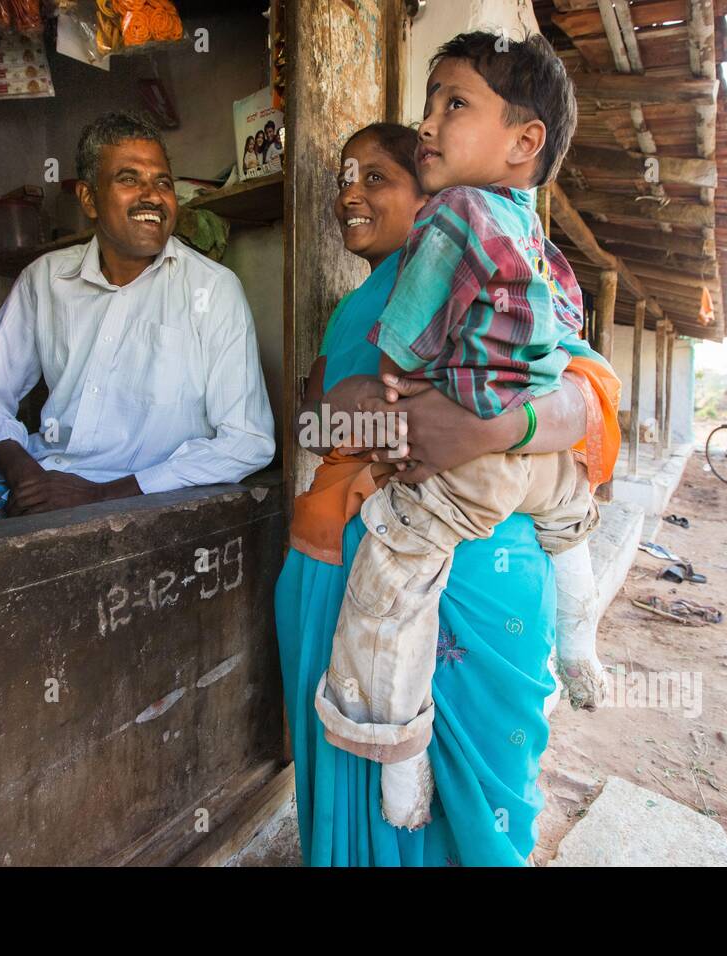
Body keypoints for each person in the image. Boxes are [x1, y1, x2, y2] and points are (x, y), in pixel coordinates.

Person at [275, 120, 619, 865]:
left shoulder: (480, 273)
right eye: (344, 177)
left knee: (459, 821)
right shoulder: (351, 306)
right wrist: (341, 409)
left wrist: (485, 431)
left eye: (376, 178)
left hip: (457, 574)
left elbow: (587, 400)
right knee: (349, 793)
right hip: (332, 562)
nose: (349, 195)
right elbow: (311, 427)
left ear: (427, 189)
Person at [0, 112, 275, 536]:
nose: (152, 196)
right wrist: (25, 475)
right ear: (89, 199)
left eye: (163, 182)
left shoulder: (214, 289)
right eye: (129, 179)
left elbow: (247, 441)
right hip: (38, 481)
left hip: (138, 500)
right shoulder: (46, 278)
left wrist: (99, 495)